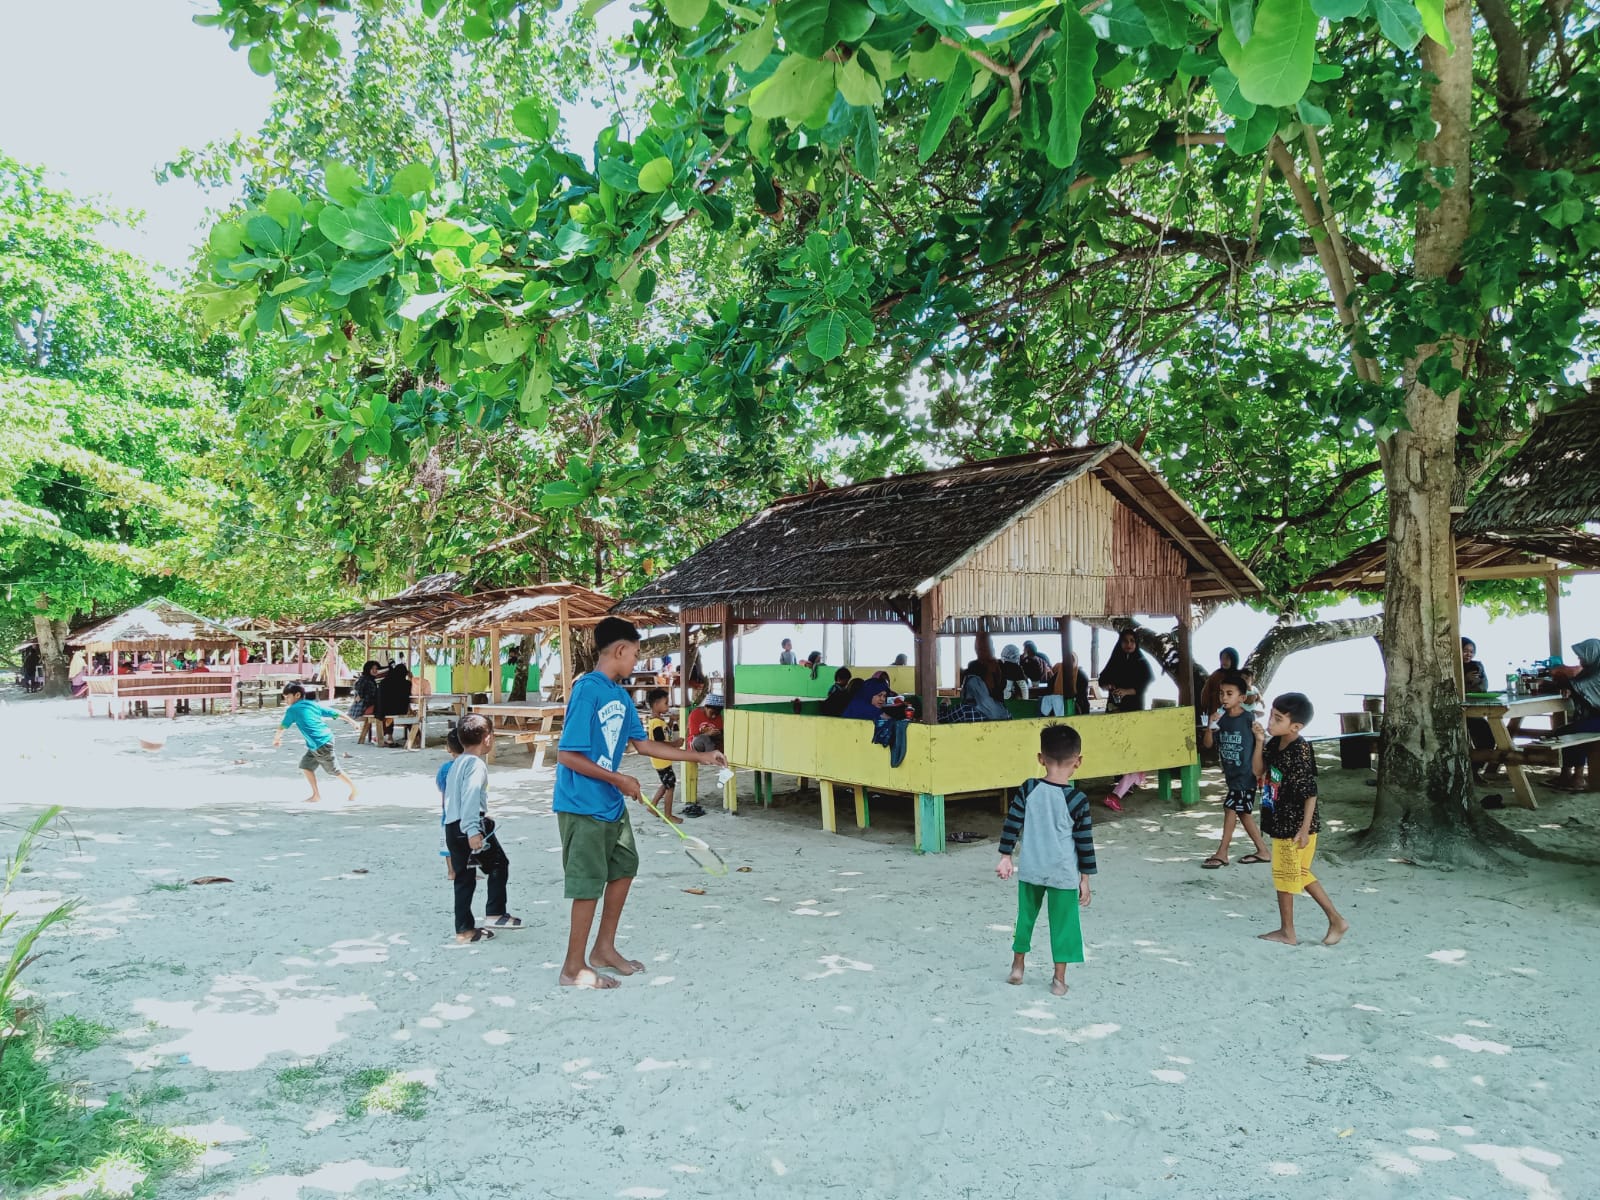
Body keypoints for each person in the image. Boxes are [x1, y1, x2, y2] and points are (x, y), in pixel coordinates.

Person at [554, 616, 726, 989]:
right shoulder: (587, 690)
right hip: (581, 804)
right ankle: (572, 968)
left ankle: (603, 949)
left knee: (625, 867)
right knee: (588, 883)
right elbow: (567, 754)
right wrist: (619, 778)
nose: (636, 661)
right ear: (620, 650)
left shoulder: (620, 696)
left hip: (609, 804)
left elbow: (645, 745)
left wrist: (700, 756)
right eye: (634, 654)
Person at [996, 724, 1096, 997]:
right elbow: (1084, 843)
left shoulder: (1029, 788)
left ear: (1041, 758)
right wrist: (1085, 879)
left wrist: (1005, 856)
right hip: (1063, 873)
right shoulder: (1077, 799)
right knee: (1064, 925)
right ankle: (1059, 980)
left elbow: (1012, 823)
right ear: (1078, 761)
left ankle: (1017, 967)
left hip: (1031, 868)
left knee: (1025, 918)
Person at [1251, 692, 1349, 947]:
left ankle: (1288, 931)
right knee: (1300, 873)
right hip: (1280, 818)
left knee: (1285, 876)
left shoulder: (1300, 750)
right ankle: (1336, 920)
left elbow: (1310, 793)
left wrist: (1304, 829)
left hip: (1294, 825)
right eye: (1271, 715)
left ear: (1295, 726)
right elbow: (1258, 770)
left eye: (1278, 718)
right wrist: (1259, 741)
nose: (1271, 722)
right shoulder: (1275, 743)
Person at [443, 713, 522, 944]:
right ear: (487, 738)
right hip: (470, 825)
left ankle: (464, 930)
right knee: (498, 864)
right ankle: (495, 913)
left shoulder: (457, 762)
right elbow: (470, 796)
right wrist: (473, 830)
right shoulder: (476, 765)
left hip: (452, 825)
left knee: (464, 878)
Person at [1200, 671, 1271, 869]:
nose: (1224, 697)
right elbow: (1208, 744)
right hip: (1231, 775)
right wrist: (1210, 726)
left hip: (1246, 775)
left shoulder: (1248, 718)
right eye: (1221, 693)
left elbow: (1260, 744)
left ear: (1241, 697)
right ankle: (1263, 851)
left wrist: (1260, 771)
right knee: (1243, 813)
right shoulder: (1221, 719)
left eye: (1229, 693)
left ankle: (1222, 852)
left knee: (1231, 808)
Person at [272, 682, 359, 803]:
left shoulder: (292, 710)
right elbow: (335, 712)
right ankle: (316, 795)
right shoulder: (312, 704)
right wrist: (352, 722)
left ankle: (354, 789)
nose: (286, 700)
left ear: (297, 695)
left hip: (321, 743)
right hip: (320, 741)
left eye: (287, 697)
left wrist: (277, 739)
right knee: (306, 766)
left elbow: (283, 726)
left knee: (333, 770)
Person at [1549, 639, 1600, 792]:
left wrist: (1560, 683)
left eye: (1582, 655)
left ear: (1592, 654)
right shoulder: (1590, 670)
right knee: (1572, 731)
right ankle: (1570, 776)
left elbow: (1579, 684)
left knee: (1566, 732)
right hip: (1595, 718)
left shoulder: (1596, 673)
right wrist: (1569, 688)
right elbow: (1576, 684)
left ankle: (1574, 777)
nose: (1579, 658)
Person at [645, 687, 696, 821]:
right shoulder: (656, 723)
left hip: (661, 759)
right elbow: (660, 742)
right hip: (661, 760)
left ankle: (652, 806)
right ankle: (668, 815)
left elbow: (663, 733)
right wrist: (675, 744)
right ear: (656, 704)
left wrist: (672, 722)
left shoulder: (658, 721)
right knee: (670, 787)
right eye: (666, 703)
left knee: (666, 783)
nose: (668, 706)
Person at [1461, 637, 1498, 779]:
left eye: (1471, 652)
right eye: (1465, 651)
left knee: (1489, 738)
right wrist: (1465, 680)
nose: (1468, 654)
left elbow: (1483, 687)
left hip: (1474, 711)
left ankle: (1474, 770)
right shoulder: (1451, 666)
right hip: (1458, 712)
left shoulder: (1477, 666)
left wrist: (1474, 682)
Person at [1097, 628, 1153, 712]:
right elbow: (1102, 680)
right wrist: (1108, 686)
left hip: (1134, 707)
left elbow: (1145, 685)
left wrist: (1126, 691)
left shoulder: (1141, 662)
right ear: (1120, 643)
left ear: (1136, 643)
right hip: (1114, 707)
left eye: (1132, 641)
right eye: (1125, 641)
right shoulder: (1115, 661)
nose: (1128, 644)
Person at [437, 728, 464, 880]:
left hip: (448, 814)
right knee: (466, 844)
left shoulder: (445, 768)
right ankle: (466, 870)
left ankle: (451, 871)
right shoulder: (471, 766)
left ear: (448, 748)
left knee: (448, 846)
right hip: (465, 813)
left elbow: (440, 785)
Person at [1041, 652, 1090, 718]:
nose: (1069, 662)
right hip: (1056, 710)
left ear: (1075, 661)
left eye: (1072, 660)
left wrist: (1085, 717)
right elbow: (1049, 689)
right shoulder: (1058, 674)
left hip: (1076, 709)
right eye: (1066, 660)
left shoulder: (1081, 676)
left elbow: (1083, 699)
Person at [376, 661, 413, 747]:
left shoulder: (384, 682)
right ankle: (416, 737)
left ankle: (390, 737)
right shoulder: (407, 684)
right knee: (411, 717)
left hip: (383, 710)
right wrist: (411, 677)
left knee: (389, 714)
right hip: (400, 710)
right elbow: (413, 690)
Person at [1198, 647, 1242, 716]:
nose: (1224, 661)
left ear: (1233, 659)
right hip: (1217, 713)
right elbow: (1205, 695)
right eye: (1222, 658)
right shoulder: (1216, 675)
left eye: (1227, 658)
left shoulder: (1240, 676)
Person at [349, 660, 384, 744]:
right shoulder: (364, 680)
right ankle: (383, 736)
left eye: (376, 669)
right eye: (373, 669)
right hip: (363, 707)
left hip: (367, 704)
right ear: (368, 669)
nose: (375, 670)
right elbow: (359, 696)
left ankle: (384, 735)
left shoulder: (371, 679)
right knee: (383, 711)